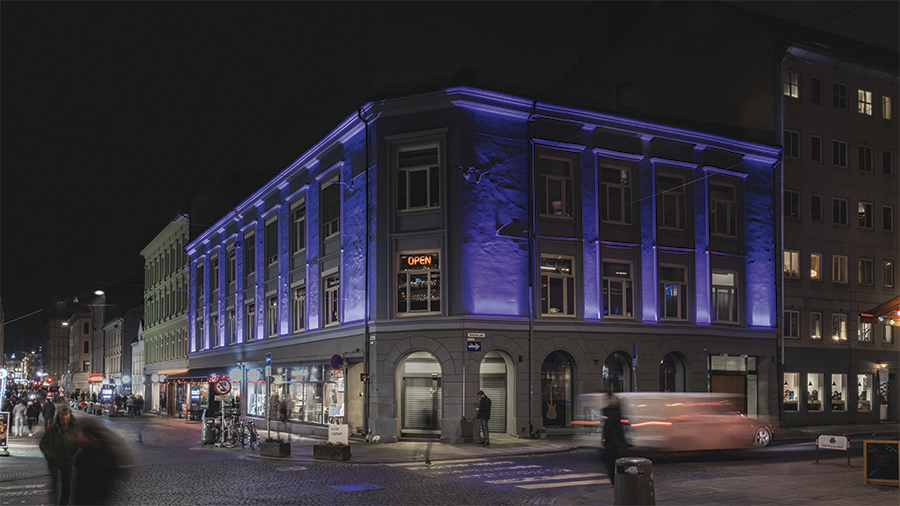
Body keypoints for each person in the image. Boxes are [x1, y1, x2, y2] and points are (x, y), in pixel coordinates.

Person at [73, 416, 132, 505]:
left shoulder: (99, 456)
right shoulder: (87, 452)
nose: (79, 438)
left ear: (90, 436)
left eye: (82, 435)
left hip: (92, 499)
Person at [40, 407, 81, 505]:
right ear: (58, 416)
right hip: (54, 462)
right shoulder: (52, 429)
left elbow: (77, 444)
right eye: (62, 415)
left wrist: (71, 453)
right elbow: (42, 444)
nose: (64, 418)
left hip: (67, 462)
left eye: (66, 415)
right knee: (55, 485)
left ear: (70, 416)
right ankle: (54, 502)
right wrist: (49, 455)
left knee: (66, 486)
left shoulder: (73, 430)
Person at [602, 393, 629, 485]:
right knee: (618, 468)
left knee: (612, 469)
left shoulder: (610, 412)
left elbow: (608, 430)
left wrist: (605, 443)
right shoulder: (618, 411)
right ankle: (621, 488)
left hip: (613, 445)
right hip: (619, 444)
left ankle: (619, 489)